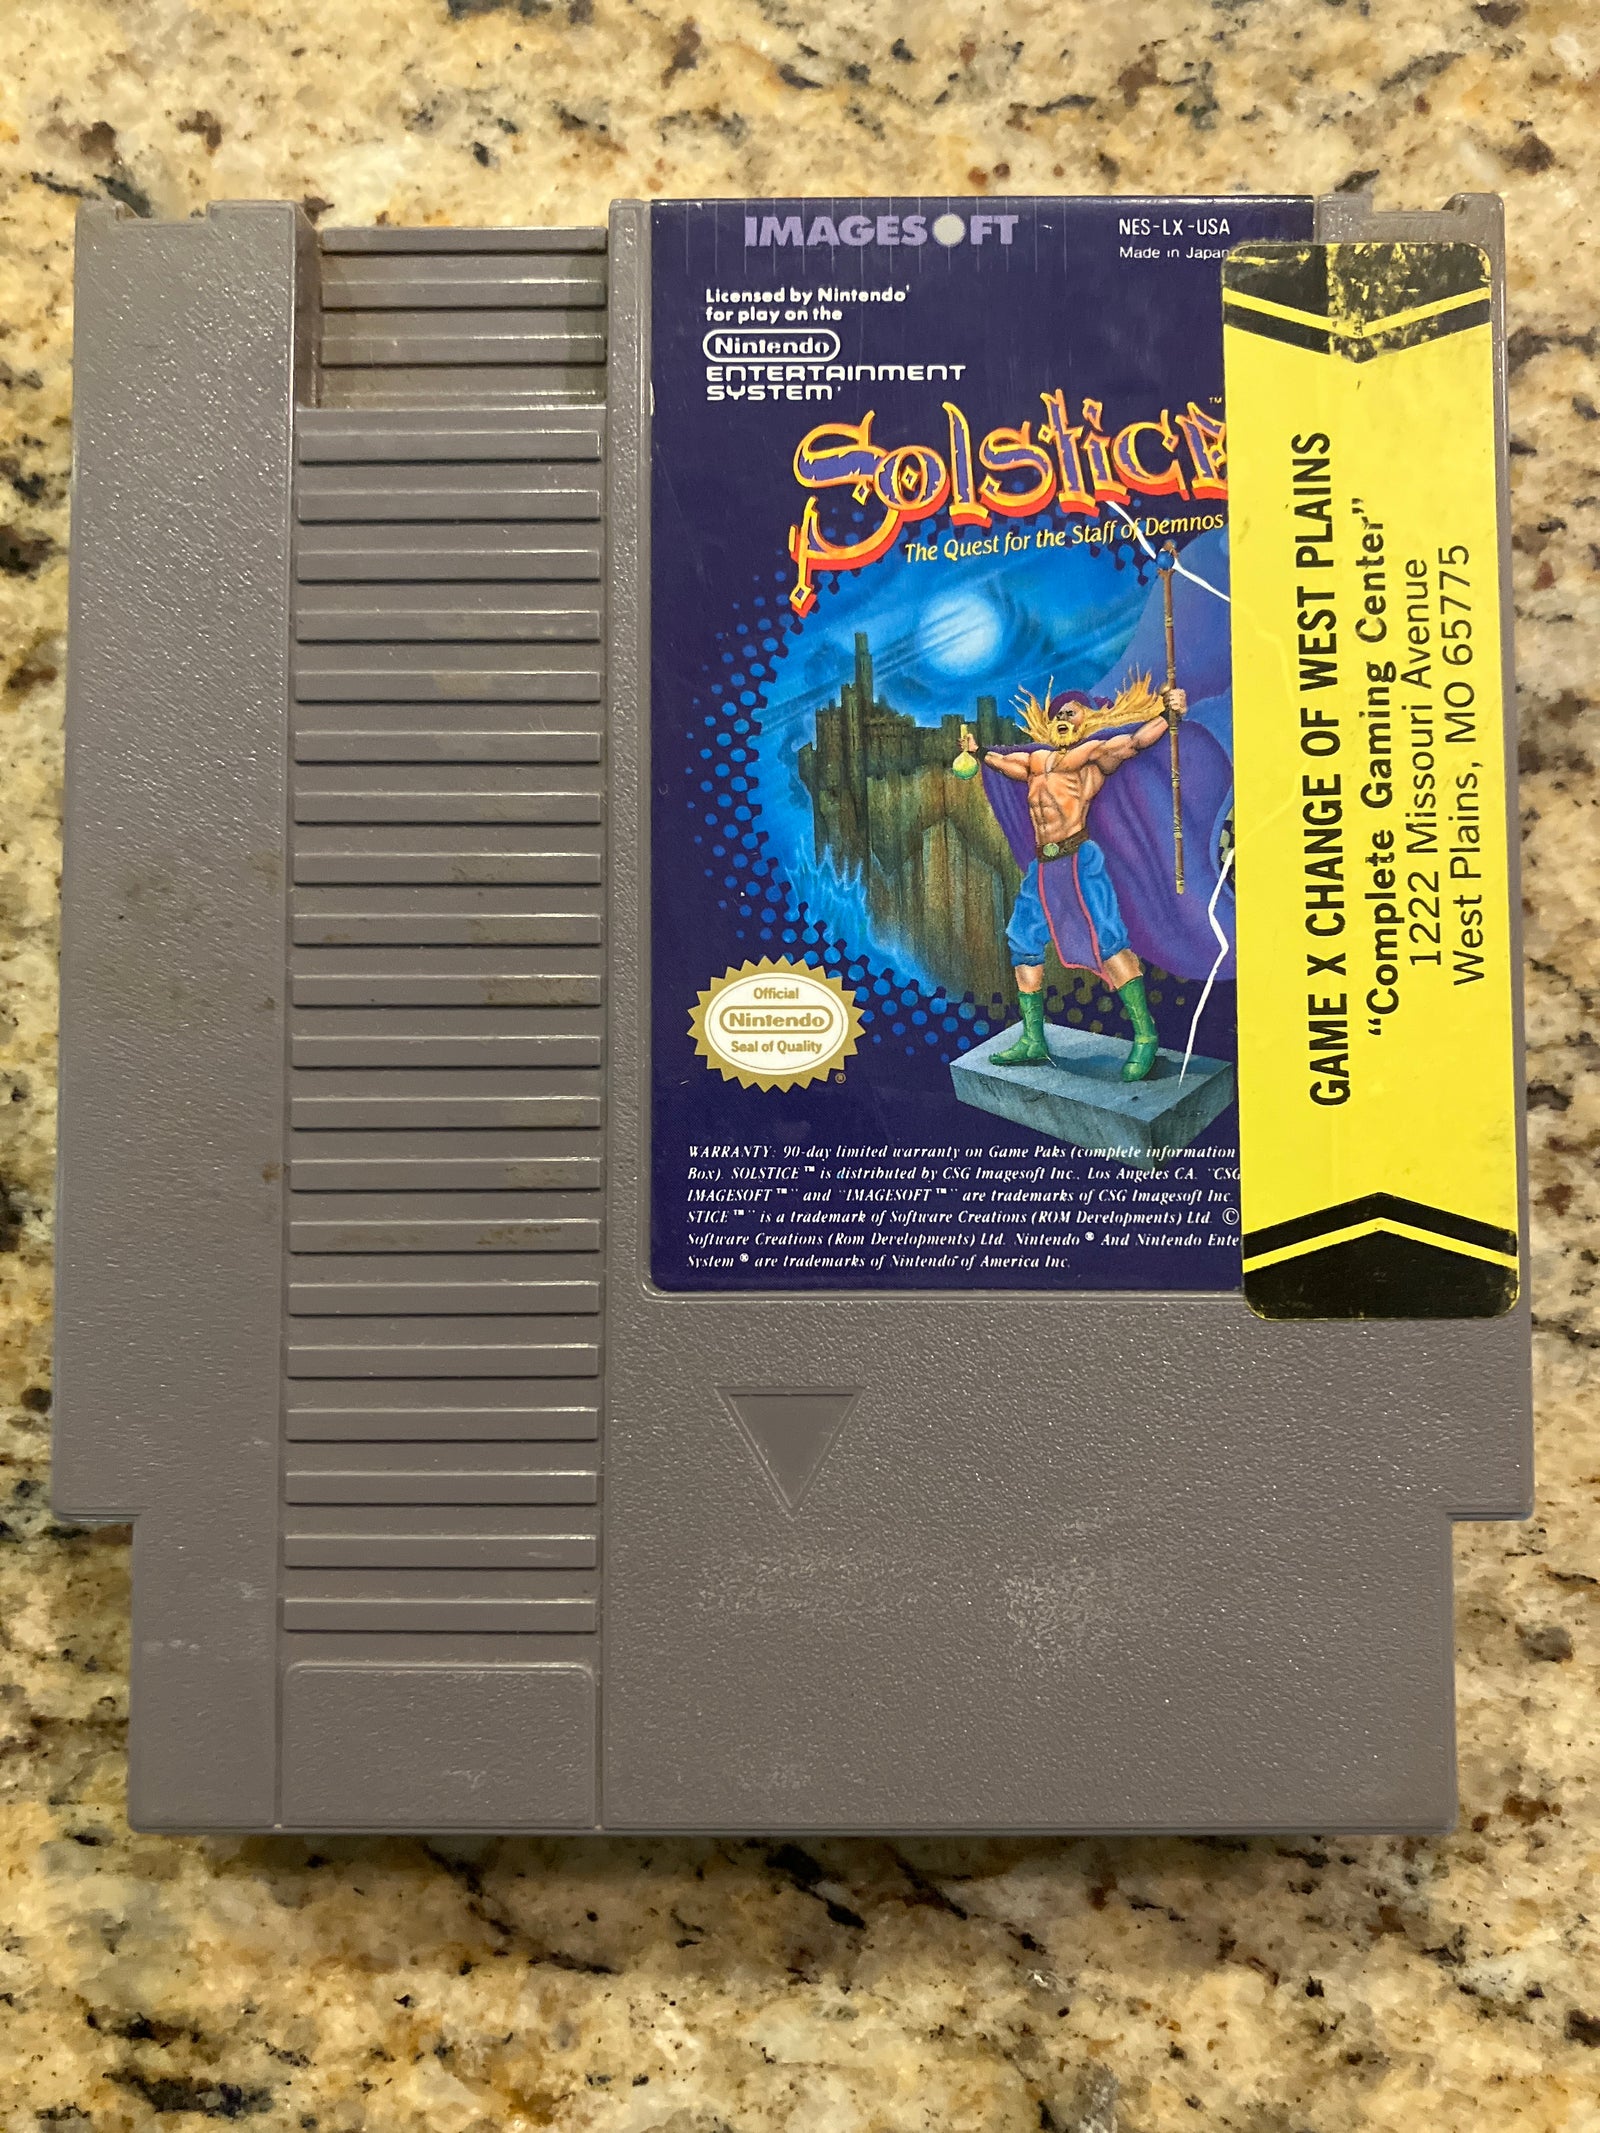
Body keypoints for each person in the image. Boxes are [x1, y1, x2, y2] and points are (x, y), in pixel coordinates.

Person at [979, 677, 1186, 1083]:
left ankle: (1145, 1036)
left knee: (1108, 942)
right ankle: (1033, 1039)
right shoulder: (1036, 761)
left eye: (1071, 713)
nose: (1062, 717)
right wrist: (978, 752)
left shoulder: (1092, 758)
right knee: (1022, 939)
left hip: (1077, 861)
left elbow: (1135, 743)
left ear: (1086, 721)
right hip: (1043, 866)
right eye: (1058, 713)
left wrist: (1168, 714)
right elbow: (1005, 764)